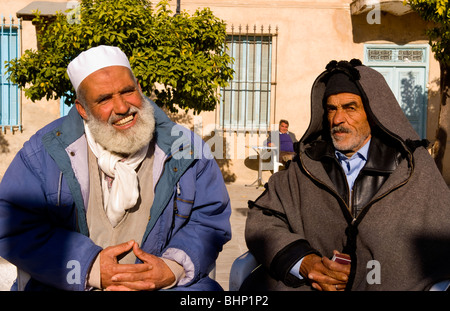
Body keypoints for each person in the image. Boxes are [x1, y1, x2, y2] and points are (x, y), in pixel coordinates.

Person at [0, 45, 231, 291]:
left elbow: (208, 219)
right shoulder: (44, 153)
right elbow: (11, 223)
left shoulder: (187, 149)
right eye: (104, 99)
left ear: (139, 88)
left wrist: (171, 268)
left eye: (128, 91)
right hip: (73, 282)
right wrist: (90, 268)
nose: (122, 108)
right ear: (82, 109)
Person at [243, 59, 450, 291]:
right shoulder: (306, 166)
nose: (338, 119)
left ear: (373, 113)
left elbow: (440, 240)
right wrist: (304, 262)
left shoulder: (412, 168)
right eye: (332, 109)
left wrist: (368, 273)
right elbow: (263, 219)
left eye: (350, 108)